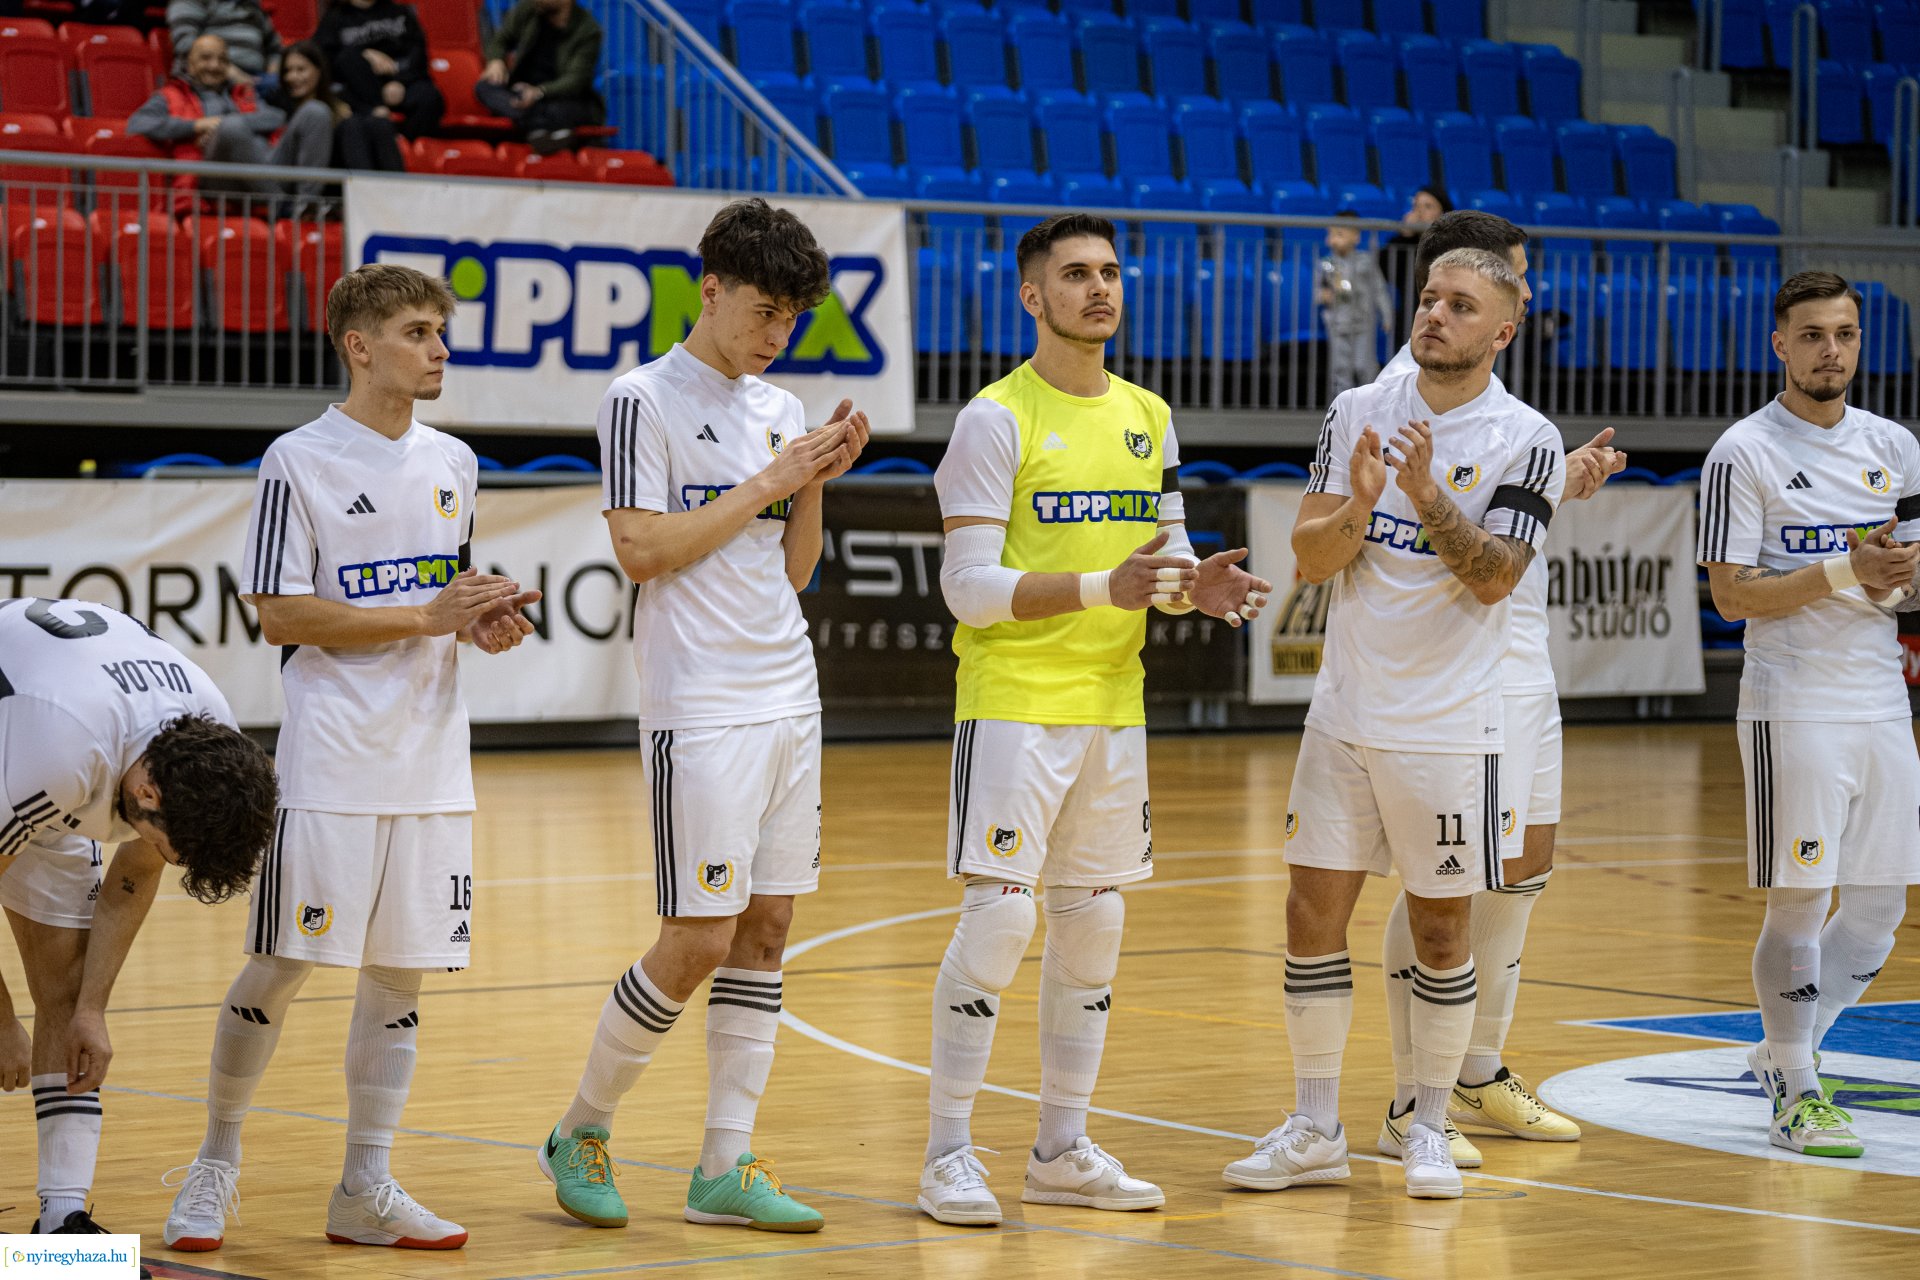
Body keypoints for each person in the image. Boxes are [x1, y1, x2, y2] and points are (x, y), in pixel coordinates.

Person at [160, 264, 540, 1253]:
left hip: (432, 765)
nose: (440, 348)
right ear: (359, 346)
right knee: (282, 960)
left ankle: (364, 1184)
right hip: (331, 760)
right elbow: (280, 611)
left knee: (401, 975)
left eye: (442, 331)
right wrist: (425, 613)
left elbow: (444, 600)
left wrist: (479, 623)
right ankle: (214, 1162)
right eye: (419, 331)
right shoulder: (300, 460)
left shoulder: (455, 460)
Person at [918, 212, 1271, 1227]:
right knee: (999, 918)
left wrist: (1187, 589)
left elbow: (1159, 564)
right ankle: (947, 1154)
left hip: (1115, 707)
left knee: (1096, 925)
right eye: (1075, 275)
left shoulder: (1150, 413)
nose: (1099, 289)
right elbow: (970, 589)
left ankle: (1061, 1148)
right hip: (1015, 704)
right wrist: (1105, 585)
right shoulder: (996, 418)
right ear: (1033, 296)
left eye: (1110, 272)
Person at [539, 198, 866, 1236]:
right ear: (710, 290)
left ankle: (725, 1161)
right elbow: (639, 549)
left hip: (789, 692)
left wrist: (813, 482)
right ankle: (581, 1126)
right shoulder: (641, 399)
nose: (778, 336)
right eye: (765, 312)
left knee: (767, 929)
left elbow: (795, 568)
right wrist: (772, 475)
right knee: (698, 934)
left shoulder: (782, 404)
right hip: (702, 702)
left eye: (794, 320)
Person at [1225, 247, 1565, 1201]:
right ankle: (1315, 1123)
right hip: (1345, 713)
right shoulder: (1355, 411)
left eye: (1460, 306)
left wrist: (1423, 496)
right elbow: (1312, 554)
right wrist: (1363, 509)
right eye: (1428, 300)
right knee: (1308, 917)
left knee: (1443, 929)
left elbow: (1496, 576)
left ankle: (1424, 1123)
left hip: (1454, 725)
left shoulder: (1528, 437)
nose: (1434, 317)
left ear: (1501, 329)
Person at [1372, 211, 1624, 1169]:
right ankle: (1413, 1095)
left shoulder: (1500, 399)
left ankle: (1474, 1070)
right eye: (1501, 281)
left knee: (1520, 869)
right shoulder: (1403, 388)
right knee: (1447, 877)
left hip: (1521, 654)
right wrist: (1561, 478)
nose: (1511, 296)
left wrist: (1564, 477)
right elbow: (1441, 516)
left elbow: (1503, 498)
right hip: (1461, 660)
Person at [1698, 271, 1920, 1159]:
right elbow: (1730, 596)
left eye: (1847, 333)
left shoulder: (1895, 447)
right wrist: (1846, 572)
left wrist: (1899, 582)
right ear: (1779, 346)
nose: (1833, 350)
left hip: (1880, 700)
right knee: (1802, 898)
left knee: (1876, 915)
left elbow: (1903, 579)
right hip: (1792, 705)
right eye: (1814, 335)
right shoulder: (1742, 453)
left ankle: (1782, 1052)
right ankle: (1794, 1085)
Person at [1, 598, 276, 1253]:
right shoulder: (61, 758)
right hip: (27, 733)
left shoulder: (210, 746)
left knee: (66, 999)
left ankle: (60, 1232)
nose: (160, 854)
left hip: (60, 745)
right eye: (166, 841)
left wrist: (93, 1008)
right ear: (148, 795)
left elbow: (135, 871)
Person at [129, 34, 332, 209]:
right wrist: (197, 126)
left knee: (316, 111)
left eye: (222, 60)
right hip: (217, 178)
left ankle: (305, 207)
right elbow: (138, 122)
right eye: (206, 58)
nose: (214, 65)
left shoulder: (242, 92)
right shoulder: (172, 94)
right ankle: (282, 206)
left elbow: (276, 117)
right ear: (189, 64)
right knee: (231, 127)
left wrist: (219, 124)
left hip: (265, 166)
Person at [478, 0, 606, 154]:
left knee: (566, 109)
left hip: (559, 97)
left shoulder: (588, 30)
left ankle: (536, 128)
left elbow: (576, 80)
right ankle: (545, 131)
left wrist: (540, 92)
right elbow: (500, 40)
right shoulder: (528, 9)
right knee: (484, 87)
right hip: (520, 92)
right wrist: (495, 60)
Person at [314, 0, 446, 145]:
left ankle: (406, 148)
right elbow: (324, 59)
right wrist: (364, 54)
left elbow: (418, 54)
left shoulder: (400, 12)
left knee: (430, 98)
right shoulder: (334, 18)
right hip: (360, 91)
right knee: (347, 60)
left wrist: (400, 82)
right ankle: (380, 129)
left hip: (400, 82)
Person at [273, 39, 407, 172]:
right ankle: (363, 187)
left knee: (380, 124)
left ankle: (400, 187)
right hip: (310, 169)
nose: (292, 77)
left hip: (342, 163)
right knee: (351, 126)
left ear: (318, 70)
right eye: (287, 71)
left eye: (301, 70)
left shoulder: (338, 99)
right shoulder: (277, 101)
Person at [1318, 210, 1395, 397]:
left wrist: (1386, 314)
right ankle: (1340, 407)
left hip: (1363, 322)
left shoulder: (1366, 262)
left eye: (1340, 234)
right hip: (1337, 323)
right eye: (1331, 234)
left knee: (1364, 365)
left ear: (1356, 237)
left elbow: (1379, 289)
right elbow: (1318, 291)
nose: (1333, 239)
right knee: (1340, 367)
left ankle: (1370, 402)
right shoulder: (1326, 264)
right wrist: (1322, 295)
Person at [1379, 186, 1452, 345]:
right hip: (1410, 316)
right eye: (1416, 206)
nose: (1419, 213)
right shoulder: (1405, 244)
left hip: (1444, 318)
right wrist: (1403, 235)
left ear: (1443, 214)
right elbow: (1385, 270)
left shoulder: (1452, 244)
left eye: (1428, 206)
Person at [167, 0, 281, 87]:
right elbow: (186, 46)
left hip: (258, 79)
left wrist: (272, 75)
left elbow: (275, 49)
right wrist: (229, 72)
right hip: (213, 77)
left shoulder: (251, 5)